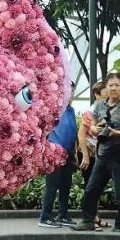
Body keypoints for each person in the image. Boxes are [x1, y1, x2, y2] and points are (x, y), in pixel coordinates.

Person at [71, 72, 120, 233]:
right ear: (106, 88)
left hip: (119, 156)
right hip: (102, 155)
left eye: (117, 85)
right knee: (91, 189)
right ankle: (87, 220)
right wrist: (96, 129)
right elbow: (93, 127)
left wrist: (117, 133)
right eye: (110, 85)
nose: (114, 88)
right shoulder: (100, 106)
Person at [38, 85, 78, 228]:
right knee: (52, 186)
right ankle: (45, 217)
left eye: (73, 91)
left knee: (66, 185)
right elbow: (42, 130)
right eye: (69, 90)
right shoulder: (54, 109)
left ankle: (63, 214)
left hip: (68, 154)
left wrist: (75, 152)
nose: (71, 93)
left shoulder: (71, 110)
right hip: (53, 153)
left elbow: (73, 132)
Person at [78, 81, 109, 230]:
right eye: (105, 93)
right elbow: (81, 135)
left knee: (97, 187)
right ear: (97, 94)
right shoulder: (89, 113)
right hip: (90, 156)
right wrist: (84, 155)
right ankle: (89, 219)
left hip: (101, 156)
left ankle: (95, 217)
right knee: (90, 187)